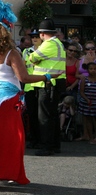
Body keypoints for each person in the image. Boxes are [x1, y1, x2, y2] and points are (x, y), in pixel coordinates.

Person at [0, 0, 53, 189]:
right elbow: (23, 78)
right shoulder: (12, 53)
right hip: (6, 100)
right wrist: (46, 77)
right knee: (9, 138)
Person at [27, 18, 66, 156]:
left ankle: (46, 146)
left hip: (48, 83)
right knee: (52, 115)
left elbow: (32, 58)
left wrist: (34, 57)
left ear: (42, 33)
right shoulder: (58, 43)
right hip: (54, 83)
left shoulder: (48, 44)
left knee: (44, 117)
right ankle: (54, 145)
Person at [79, 61, 96, 144]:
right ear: (87, 70)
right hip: (87, 103)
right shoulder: (84, 79)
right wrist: (87, 99)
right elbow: (81, 92)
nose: (93, 70)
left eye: (95, 69)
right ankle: (91, 138)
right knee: (88, 120)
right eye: (91, 69)